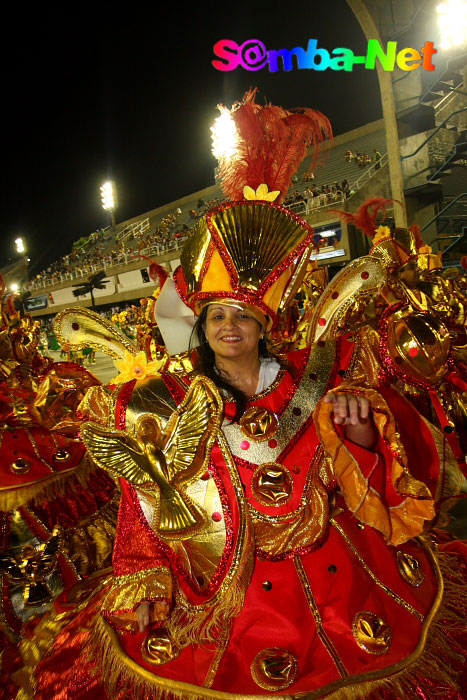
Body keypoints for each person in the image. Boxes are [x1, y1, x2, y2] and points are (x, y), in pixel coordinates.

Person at [10, 92, 467, 700]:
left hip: (346, 586)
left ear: (263, 326)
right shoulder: (169, 400)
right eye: (218, 314)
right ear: (203, 325)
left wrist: (359, 433)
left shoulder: (315, 376)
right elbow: (145, 496)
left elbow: (353, 470)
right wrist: (145, 581)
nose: (230, 326)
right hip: (225, 603)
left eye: (243, 317)